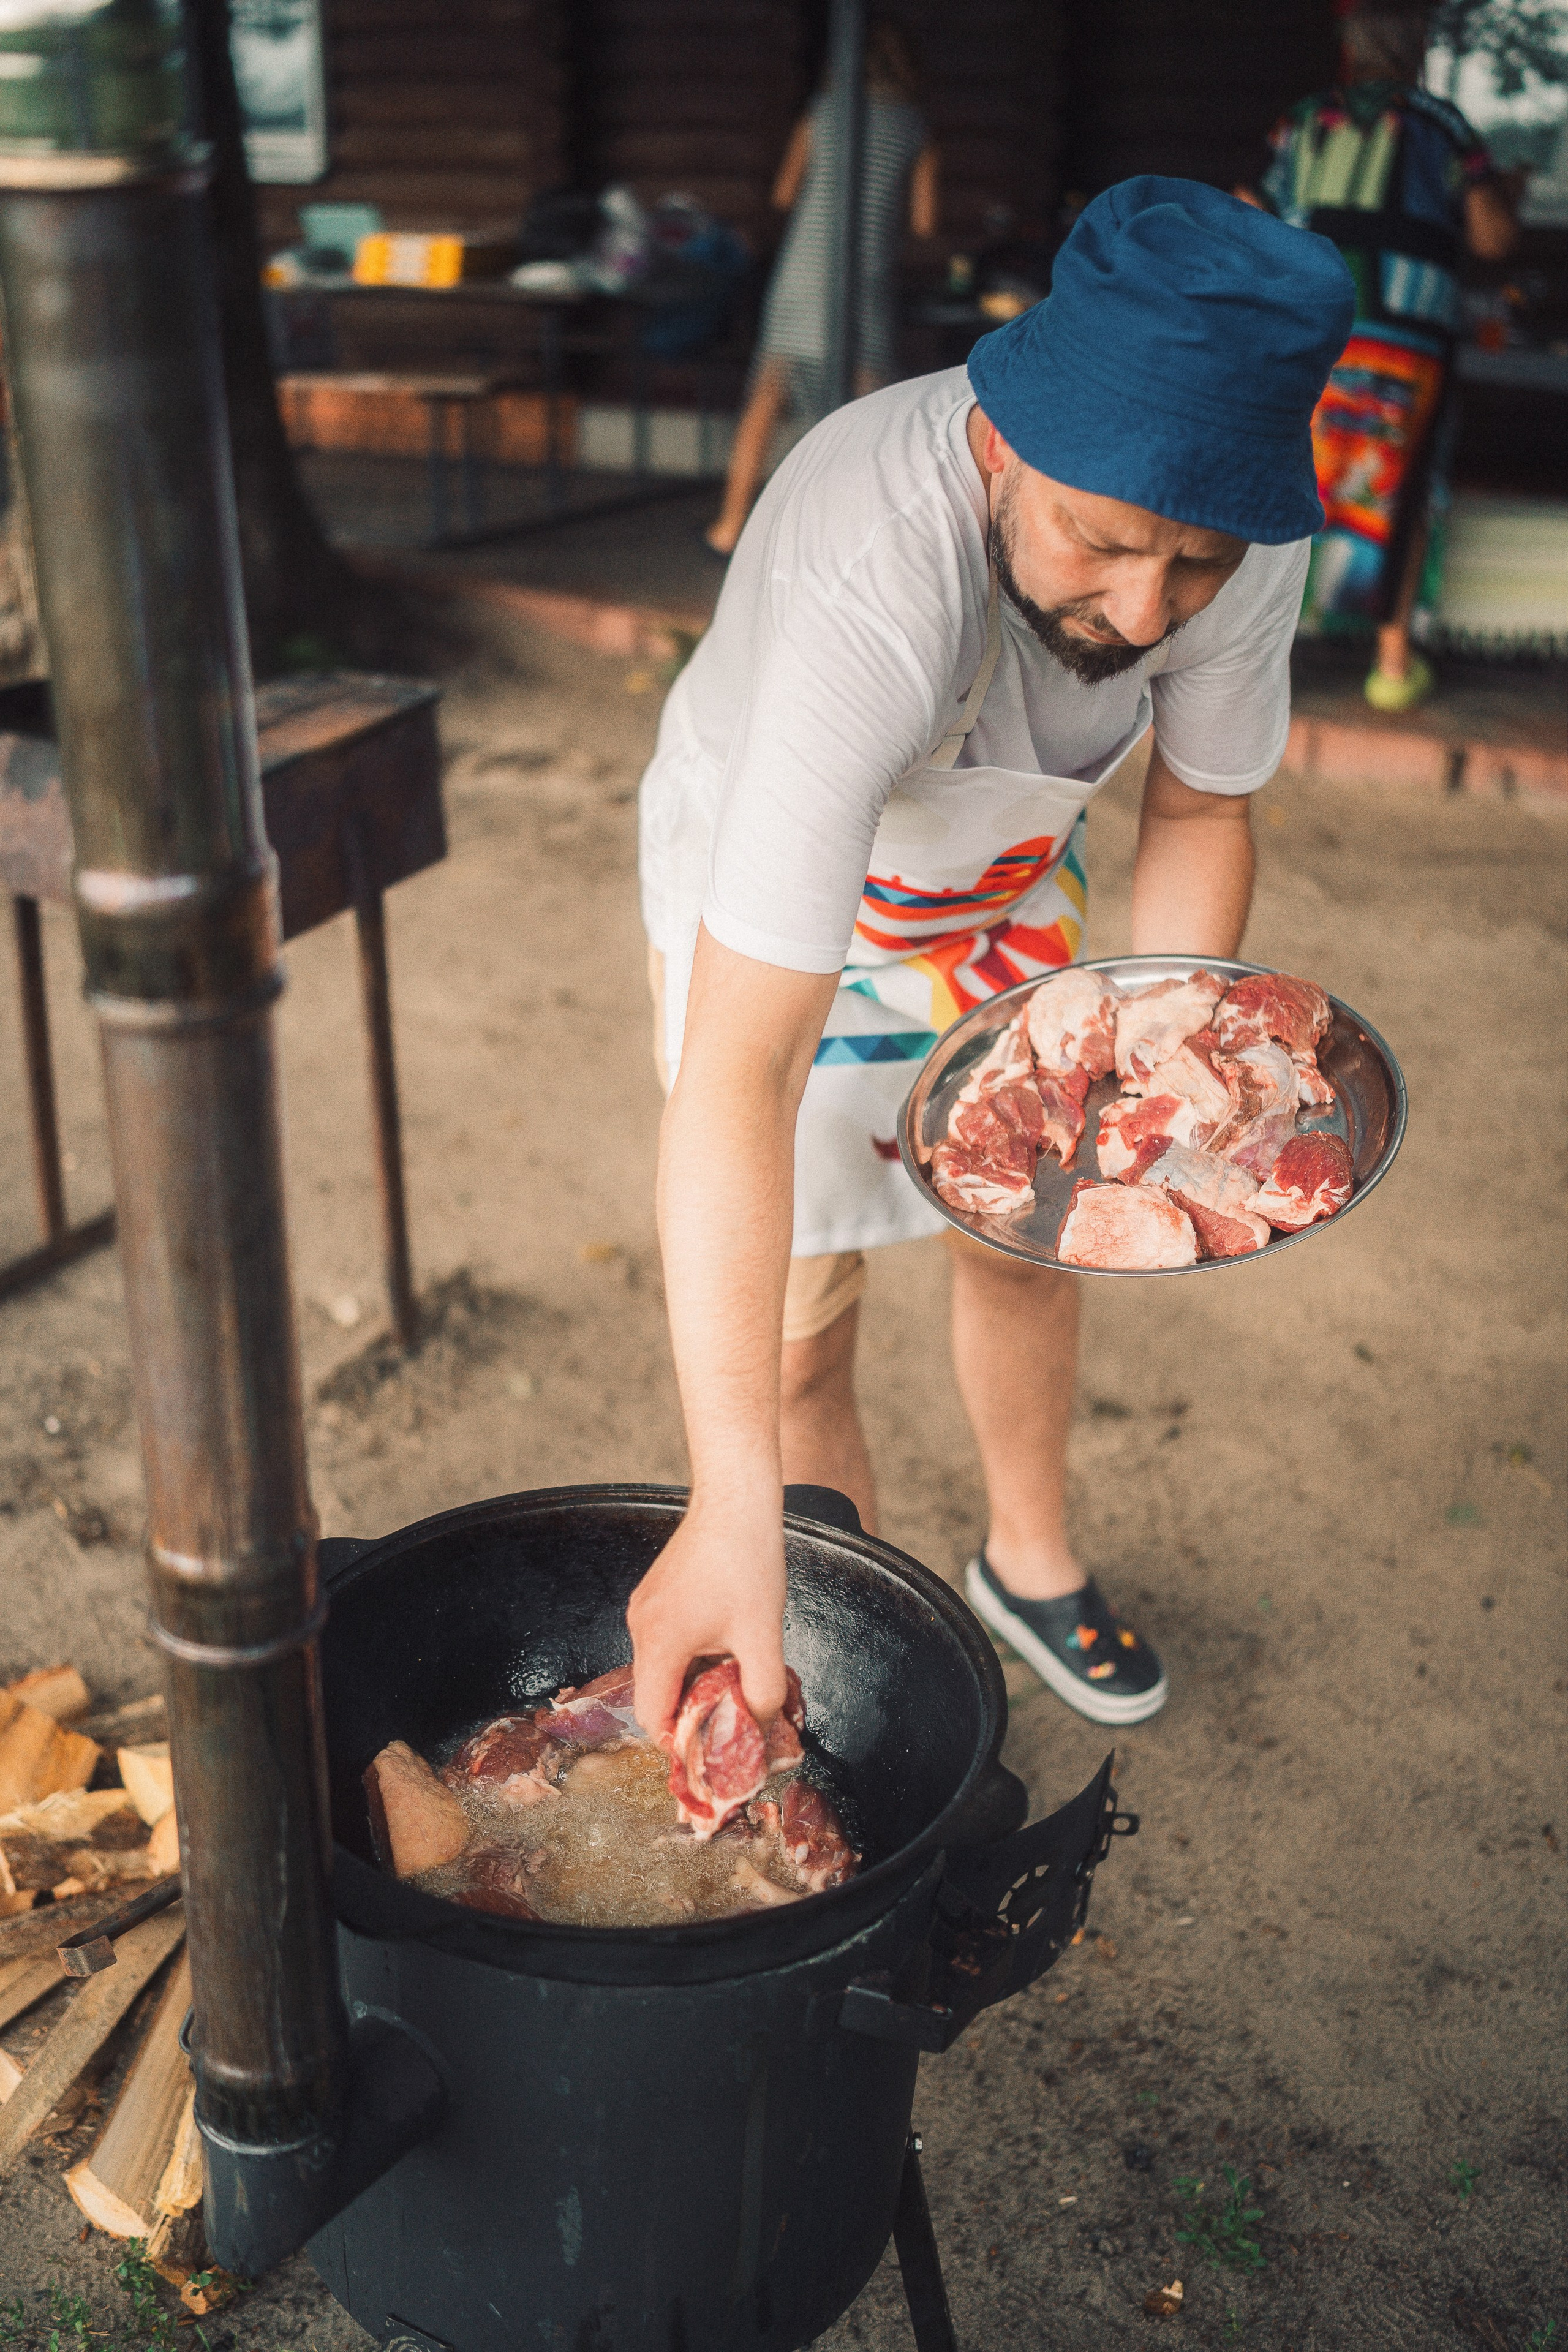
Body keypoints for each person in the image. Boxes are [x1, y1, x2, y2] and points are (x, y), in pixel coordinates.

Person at [633, 178, 1355, 1747]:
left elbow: (1199, 803)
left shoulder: (1237, 531)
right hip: (787, 904)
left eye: (1193, 565)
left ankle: (1026, 1561)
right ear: (1007, 440)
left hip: (1002, 879)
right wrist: (721, 1498)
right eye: (1101, 541)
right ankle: (831, 1636)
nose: (1144, 610)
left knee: (1032, 1228)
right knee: (799, 1321)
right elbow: (742, 1069)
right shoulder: (869, 574)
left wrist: (1164, 1060)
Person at [1240, 2, 1518, 712]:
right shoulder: (1444, 124)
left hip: (1310, 330)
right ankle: (1391, 666)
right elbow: (1492, 240)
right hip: (1405, 338)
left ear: (1351, 48)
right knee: (1398, 481)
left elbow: (1248, 208)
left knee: (1292, 475)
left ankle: (1265, 658)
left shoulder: (1304, 121)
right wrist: (1501, 196)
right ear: (1416, 45)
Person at [703, 19, 938, 557]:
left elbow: (785, 193)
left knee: (767, 395)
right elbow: (925, 223)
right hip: (864, 272)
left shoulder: (822, 112)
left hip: (804, 270)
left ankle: (730, 525)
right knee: (873, 401)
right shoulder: (915, 128)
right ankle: (868, 536)